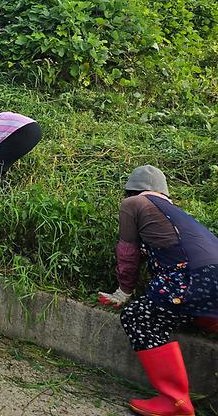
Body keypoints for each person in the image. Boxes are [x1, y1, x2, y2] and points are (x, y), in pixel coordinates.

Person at [97, 165, 218, 416]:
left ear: (130, 190)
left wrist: (123, 292)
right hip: (208, 279)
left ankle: (175, 401)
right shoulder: (176, 213)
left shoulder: (133, 204)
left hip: (189, 276)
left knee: (139, 316)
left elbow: (127, 252)